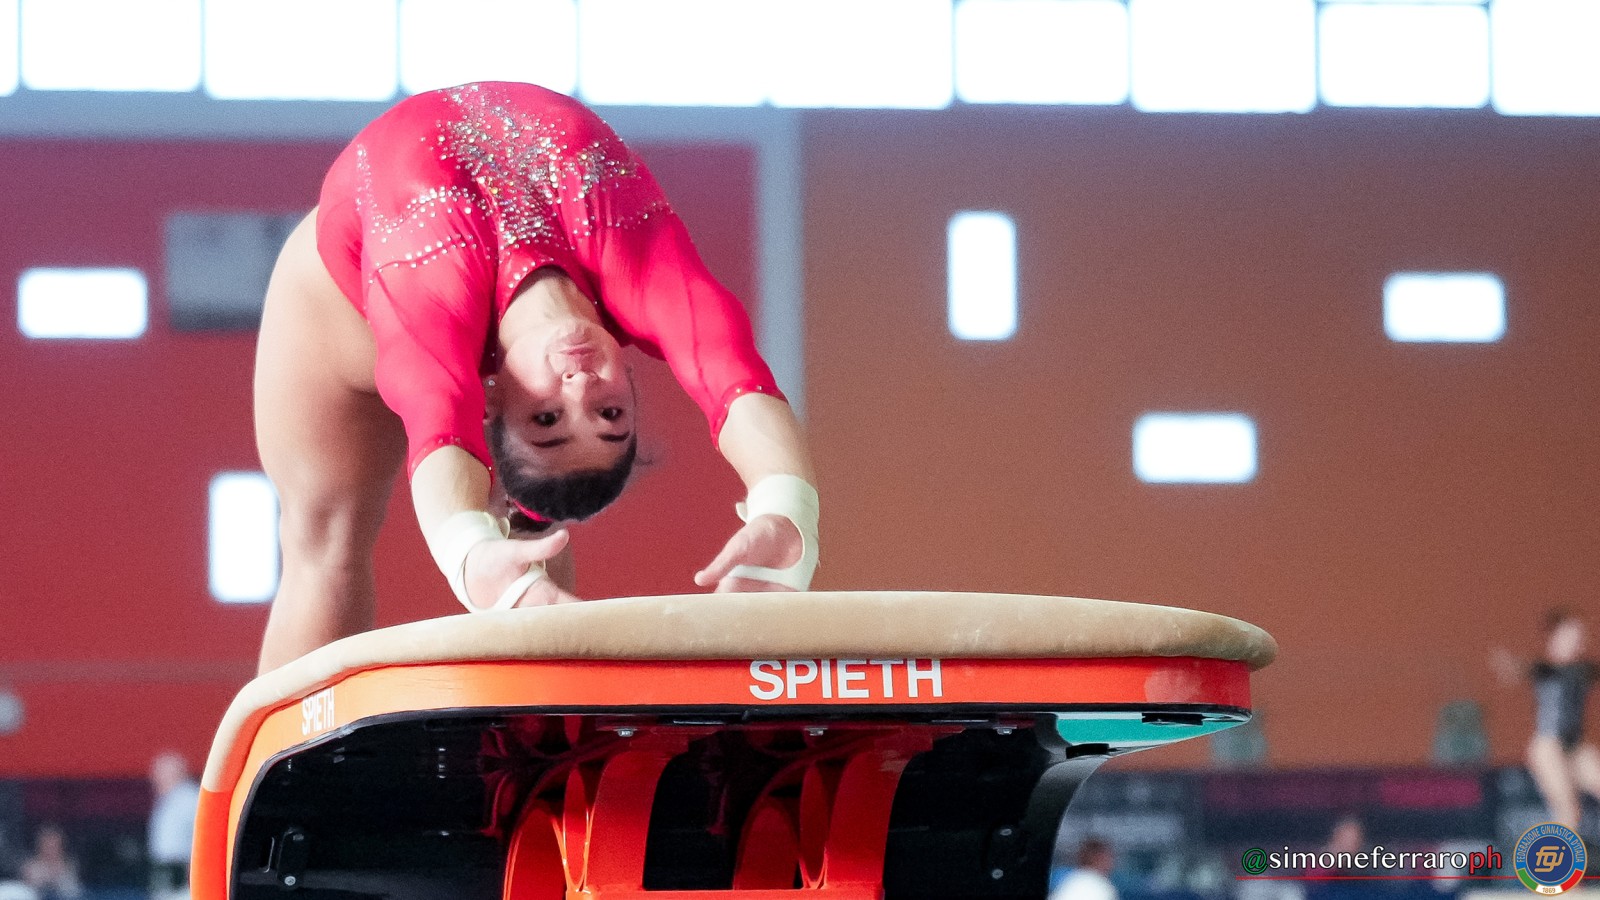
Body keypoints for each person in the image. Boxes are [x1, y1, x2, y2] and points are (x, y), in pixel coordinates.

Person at [254, 82, 819, 673]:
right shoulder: (636, 268)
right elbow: (738, 380)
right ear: (631, 378)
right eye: (610, 413)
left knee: (520, 548)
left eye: (548, 419)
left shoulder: (434, 281)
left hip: (408, 317)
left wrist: (471, 556)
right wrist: (789, 510)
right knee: (326, 544)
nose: (580, 387)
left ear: (491, 402)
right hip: (334, 311)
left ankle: (540, 697)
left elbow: (438, 419)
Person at [1492, 610, 1599, 829]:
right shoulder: (1546, 670)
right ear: (1556, 638)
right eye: (1571, 635)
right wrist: (1511, 666)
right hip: (1549, 746)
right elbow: (1526, 668)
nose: (1578, 641)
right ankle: (1555, 851)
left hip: (1576, 747)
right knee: (1569, 811)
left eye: (1579, 635)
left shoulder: (1584, 670)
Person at [147, 751, 201, 900]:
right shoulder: (167, 800)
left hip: (185, 881)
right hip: (165, 879)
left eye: (161, 773)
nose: (155, 778)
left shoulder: (190, 799)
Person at [17, 826, 79, 900]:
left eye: (54, 844)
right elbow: (27, 891)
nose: (51, 848)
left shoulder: (69, 866)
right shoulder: (30, 867)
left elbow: (73, 892)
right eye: (47, 844)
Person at [1049, 837, 1117, 900]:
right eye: (1108, 858)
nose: (1111, 863)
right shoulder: (1100, 885)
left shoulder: (1070, 879)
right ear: (1098, 859)